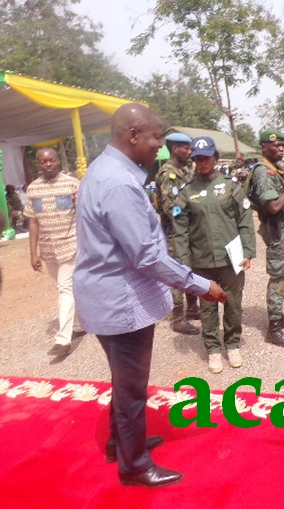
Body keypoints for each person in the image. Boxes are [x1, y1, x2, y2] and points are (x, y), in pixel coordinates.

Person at [73, 103, 227, 488]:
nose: (159, 147)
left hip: (109, 296)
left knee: (124, 382)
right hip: (120, 303)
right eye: (156, 137)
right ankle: (135, 465)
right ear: (132, 135)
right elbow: (146, 256)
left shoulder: (107, 169)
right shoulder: (119, 182)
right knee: (131, 388)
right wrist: (200, 285)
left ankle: (120, 444)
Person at [172, 136, 256, 373]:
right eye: (197, 159)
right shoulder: (186, 192)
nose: (202, 163)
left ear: (215, 158)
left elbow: (245, 220)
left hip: (232, 257)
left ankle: (232, 344)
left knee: (233, 302)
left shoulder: (231, 186)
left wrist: (248, 251)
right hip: (202, 260)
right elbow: (179, 228)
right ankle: (213, 349)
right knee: (207, 306)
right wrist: (183, 260)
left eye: (206, 158)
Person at [23, 148, 81, 356]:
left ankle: (63, 340)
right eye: (43, 161)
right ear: (37, 164)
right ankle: (78, 325)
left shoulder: (72, 184)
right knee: (65, 287)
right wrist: (33, 253)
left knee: (65, 288)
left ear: (58, 161)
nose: (48, 164)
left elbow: (84, 215)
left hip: (70, 245)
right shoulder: (33, 189)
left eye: (51, 160)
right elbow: (33, 222)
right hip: (48, 249)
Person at [245, 129, 284, 348]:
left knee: (283, 273)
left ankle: (279, 314)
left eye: (282, 146)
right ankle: (274, 327)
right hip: (277, 228)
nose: (280, 149)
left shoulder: (276, 169)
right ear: (264, 147)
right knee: (278, 275)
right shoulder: (263, 172)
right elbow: (274, 206)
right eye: (276, 145)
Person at [154, 132, 201, 334]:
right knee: (177, 273)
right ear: (175, 149)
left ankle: (192, 308)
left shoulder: (187, 170)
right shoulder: (168, 173)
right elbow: (169, 208)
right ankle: (178, 318)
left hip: (189, 230)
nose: (190, 152)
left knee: (191, 269)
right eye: (186, 148)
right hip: (175, 232)